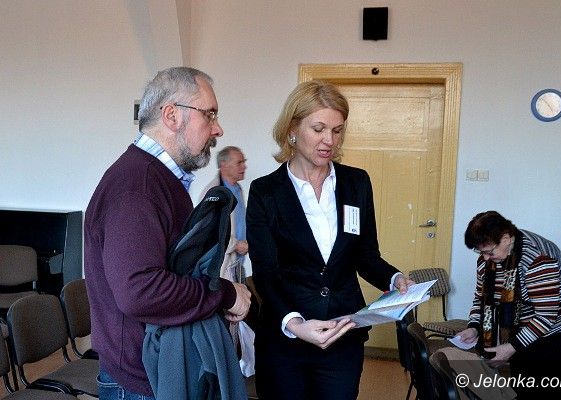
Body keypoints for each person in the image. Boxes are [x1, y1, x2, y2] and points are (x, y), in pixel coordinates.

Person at [84, 67, 251, 399]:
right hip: (140, 382)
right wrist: (224, 294)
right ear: (172, 115)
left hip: (155, 370)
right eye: (210, 114)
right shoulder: (138, 186)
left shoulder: (154, 178)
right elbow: (140, 291)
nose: (218, 128)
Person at [246, 80, 413, 400]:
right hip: (286, 342)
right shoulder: (266, 192)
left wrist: (394, 279)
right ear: (292, 129)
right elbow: (266, 273)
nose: (329, 141)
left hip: (342, 336)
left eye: (337, 131)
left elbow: (366, 255)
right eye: (319, 129)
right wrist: (295, 324)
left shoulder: (356, 183)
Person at [457, 210, 561, 399]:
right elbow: (481, 297)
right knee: (523, 368)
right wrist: (474, 327)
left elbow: (546, 316)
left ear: (506, 239)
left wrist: (512, 346)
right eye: (480, 252)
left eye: (489, 251)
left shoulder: (537, 258)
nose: (485, 257)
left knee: (556, 375)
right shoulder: (487, 260)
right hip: (531, 313)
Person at [200, 146, 251, 282]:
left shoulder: (237, 189)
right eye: (239, 163)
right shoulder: (213, 193)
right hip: (221, 269)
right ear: (224, 165)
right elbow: (209, 233)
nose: (244, 166)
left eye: (244, 162)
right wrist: (236, 245)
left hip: (237, 264)